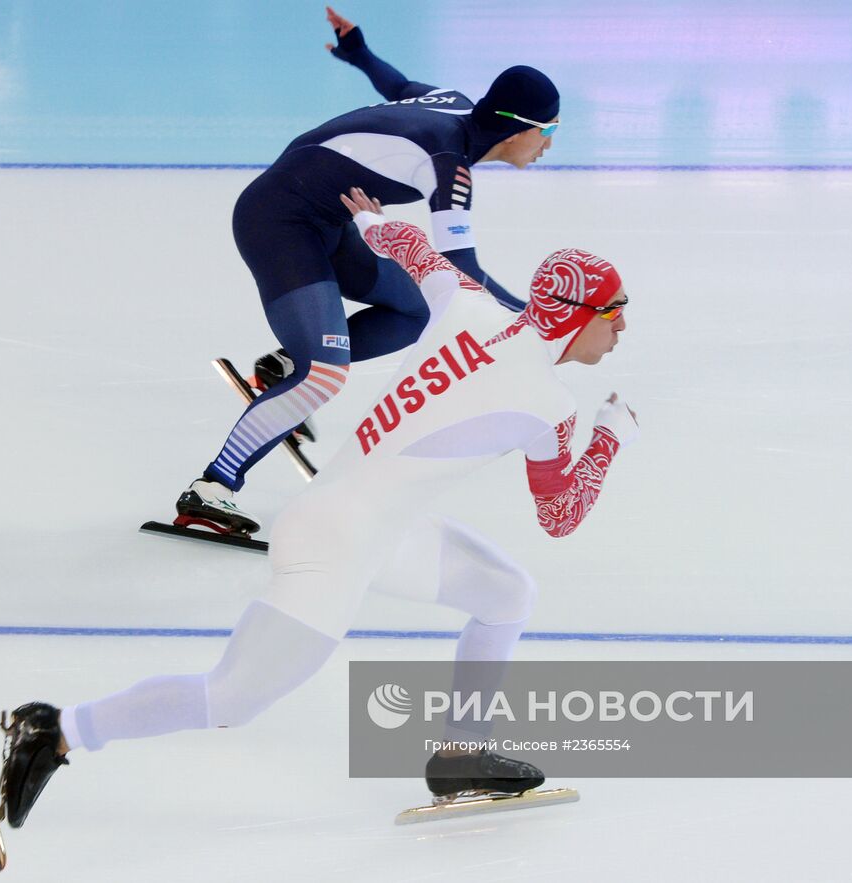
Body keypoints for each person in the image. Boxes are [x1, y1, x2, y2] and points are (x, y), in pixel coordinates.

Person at [0, 187, 638, 828]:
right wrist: (609, 437)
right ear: (578, 315)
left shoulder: (468, 302)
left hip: (375, 528)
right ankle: (56, 730)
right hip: (336, 546)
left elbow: (413, 248)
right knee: (231, 699)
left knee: (506, 594)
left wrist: (372, 222)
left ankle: (461, 755)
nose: (622, 327)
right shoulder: (551, 405)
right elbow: (560, 516)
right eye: (615, 311)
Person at [176, 6, 562, 535]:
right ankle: (212, 487)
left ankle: (285, 369)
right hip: (279, 222)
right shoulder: (448, 164)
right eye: (548, 129)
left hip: (327, 219)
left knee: (417, 308)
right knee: (325, 373)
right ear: (517, 129)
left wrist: (359, 53)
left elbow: (398, 87)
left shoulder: (456, 104)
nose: (550, 144)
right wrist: (534, 315)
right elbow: (460, 271)